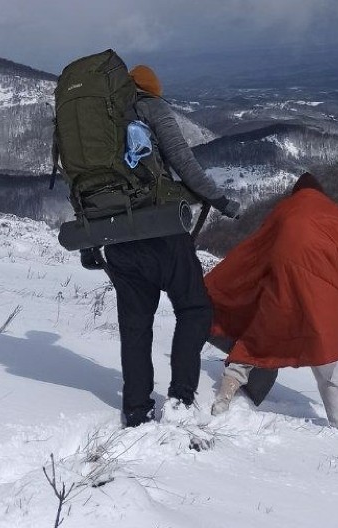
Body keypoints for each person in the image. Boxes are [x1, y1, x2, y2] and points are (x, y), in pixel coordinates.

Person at [97, 65, 240, 428]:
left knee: (135, 325)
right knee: (194, 309)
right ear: (152, 90)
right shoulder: (153, 109)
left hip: (115, 238)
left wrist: (90, 238)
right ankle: (179, 399)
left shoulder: (99, 118)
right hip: (160, 231)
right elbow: (184, 162)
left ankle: (136, 410)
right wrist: (220, 199)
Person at [205, 172, 338, 428]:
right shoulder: (334, 216)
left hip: (280, 295)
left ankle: (225, 395)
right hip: (321, 302)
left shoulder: (284, 213)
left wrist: (217, 285)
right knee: (325, 358)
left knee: (255, 343)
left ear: (296, 193)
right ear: (320, 193)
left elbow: (253, 251)